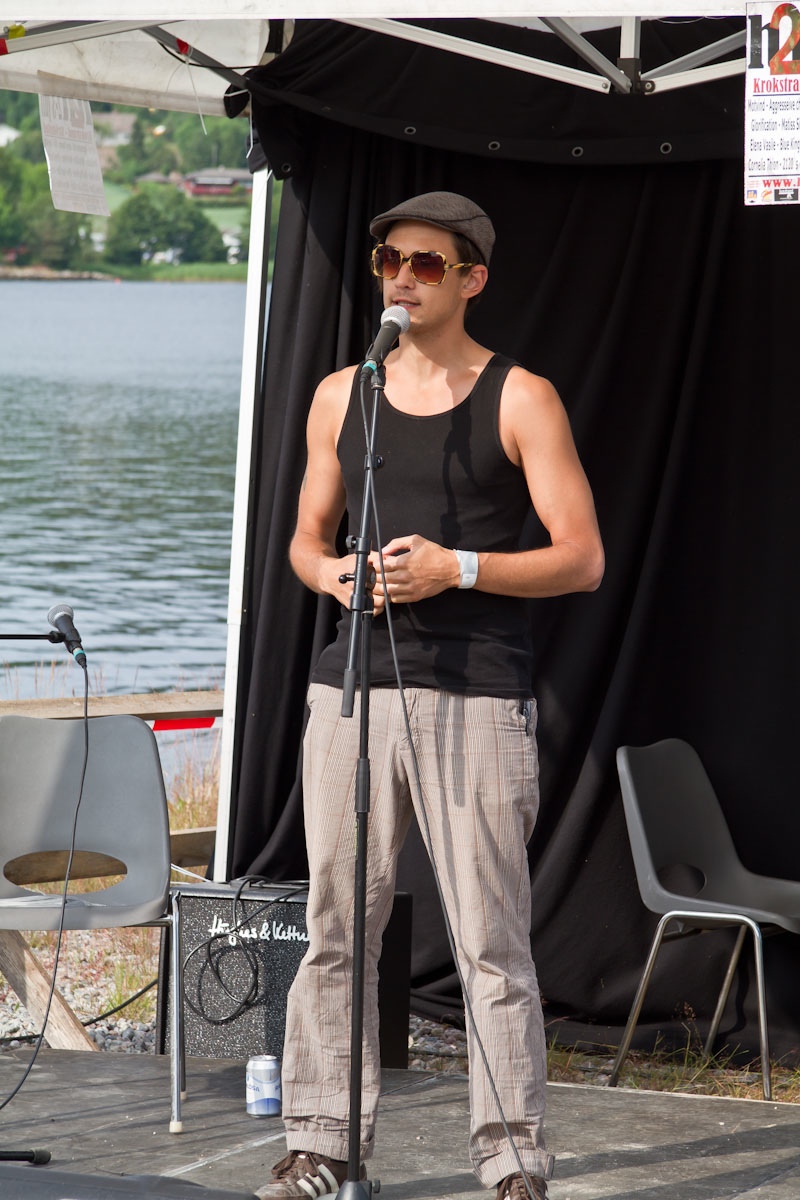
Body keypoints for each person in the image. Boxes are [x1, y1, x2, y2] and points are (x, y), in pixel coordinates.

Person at [257, 191, 604, 1200]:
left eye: (424, 264)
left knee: (488, 941)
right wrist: (333, 576)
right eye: (388, 261)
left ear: (470, 279)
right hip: (350, 693)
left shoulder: (521, 397)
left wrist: (459, 569)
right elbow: (303, 540)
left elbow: (581, 559)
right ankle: (320, 1142)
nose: (401, 279)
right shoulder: (343, 394)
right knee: (336, 928)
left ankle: (511, 1157)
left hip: (476, 694)